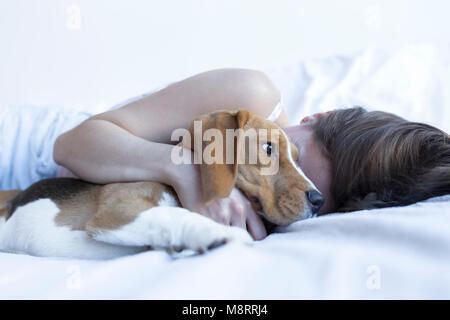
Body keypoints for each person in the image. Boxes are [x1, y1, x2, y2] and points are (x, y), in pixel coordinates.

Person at [2, 69, 449, 240]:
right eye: (285, 156)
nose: (283, 181)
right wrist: (190, 174)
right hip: (19, 148)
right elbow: (71, 147)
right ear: (314, 116)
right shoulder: (252, 101)